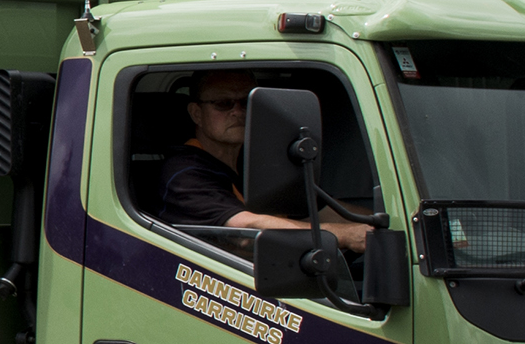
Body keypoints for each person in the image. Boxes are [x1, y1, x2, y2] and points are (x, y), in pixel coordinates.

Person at [157, 69, 370, 254]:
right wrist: (343, 235)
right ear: (196, 114)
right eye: (223, 104)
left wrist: (385, 223)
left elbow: (320, 210)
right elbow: (243, 231)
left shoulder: (259, 162)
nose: (238, 112)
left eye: (247, 102)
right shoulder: (183, 172)